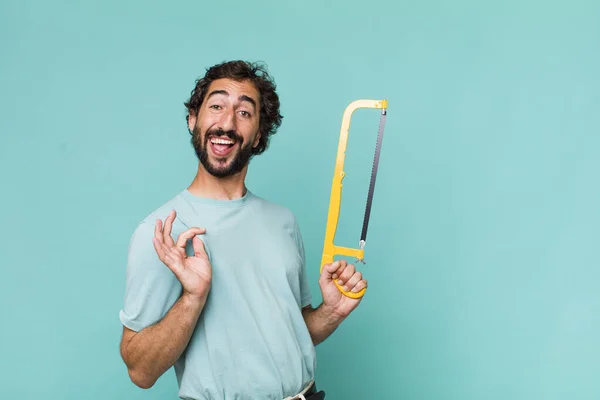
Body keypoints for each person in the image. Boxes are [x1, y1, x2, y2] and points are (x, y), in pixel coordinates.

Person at [118, 60, 367, 400]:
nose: (226, 123)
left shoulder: (283, 221)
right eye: (216, 106)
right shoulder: (163, 232)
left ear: (259, 134)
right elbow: (140, 371)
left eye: (244, 113)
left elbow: (287, 334)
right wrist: (193, 297)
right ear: (194, 119)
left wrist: (331, 313)